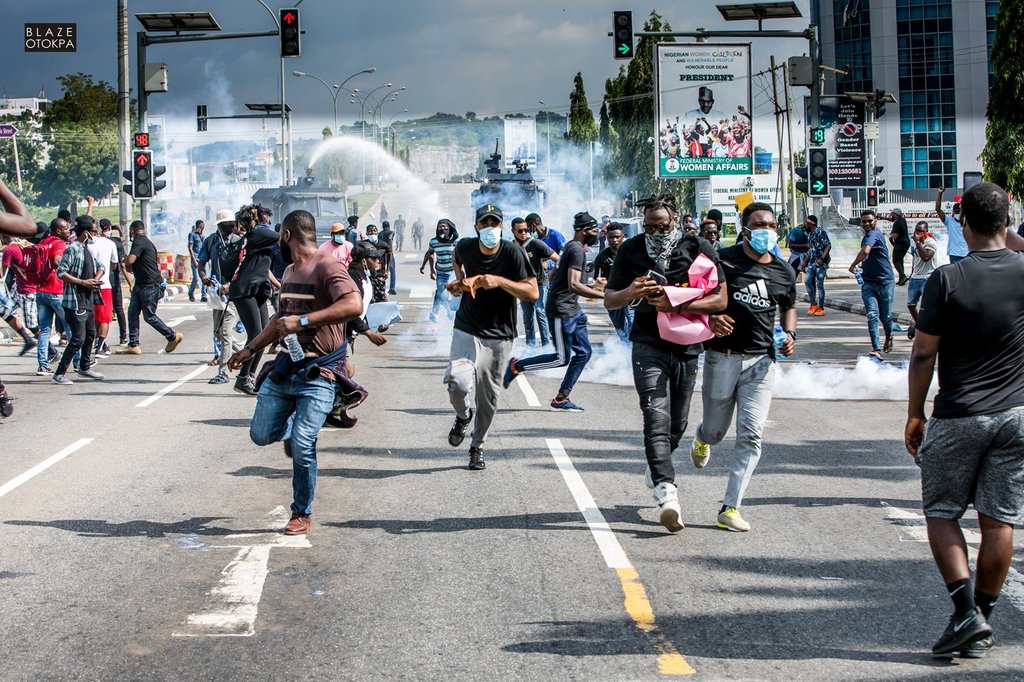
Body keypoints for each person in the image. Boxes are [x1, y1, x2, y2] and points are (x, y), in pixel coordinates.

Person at [904, 182, 1024, 658]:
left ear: (962, 223)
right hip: (1017, 416)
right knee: (999, 522)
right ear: (1007, 220)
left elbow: (923, 353)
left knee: (942, 511)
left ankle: (966, 613)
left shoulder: (947, 279)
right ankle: (980, 620)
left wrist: (915, 413)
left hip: (959, 415)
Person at [230, 209, 362, 536]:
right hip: (287, 368)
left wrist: (304, 322)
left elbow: (353, 305)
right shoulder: (289, 271)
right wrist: (250, 349)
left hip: (321, 372)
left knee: (304, 443)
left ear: (286, 236)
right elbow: (279, 321)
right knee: (260, 434)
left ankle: (301, 512)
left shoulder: (327, 266)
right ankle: (290, 429)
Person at [604, 194, 726, 532]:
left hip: (688, 345)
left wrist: (677, 304)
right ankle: (666, 491)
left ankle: (657, 464)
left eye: (664, 225)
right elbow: (610, 298)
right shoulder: (631, 250)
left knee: (678, 424)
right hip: (648, 344)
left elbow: (721, 297)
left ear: (676, 220)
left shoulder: (697, 246)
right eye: (650, 226)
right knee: (655, 416)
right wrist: (631, 292)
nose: (657, 231)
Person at [690, 202, 797, 532]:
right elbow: (695, 296)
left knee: (751, 435)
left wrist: (790, 333)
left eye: (771, 225)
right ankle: (701, 437)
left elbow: (789, 306)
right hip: (722, 357)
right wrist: (710, 316)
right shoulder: (723, 261)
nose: (766, 230)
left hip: (762, 363)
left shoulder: (783, 270)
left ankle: (730, 508)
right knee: (716, 431)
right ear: (744, 229)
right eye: (758, 225)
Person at [444, 204, 537, 470]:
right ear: (476, 227)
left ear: (501, 227)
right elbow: (456, 258)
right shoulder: (465, 247)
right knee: (457, 382)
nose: (489, 229)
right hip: (466, 327)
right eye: (484, 224)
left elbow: (532, 293)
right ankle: (463, 416)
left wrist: (500, 282)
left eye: (494, 224)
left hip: (499, 335)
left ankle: (477, 446)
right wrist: (459, 282)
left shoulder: (513, 253)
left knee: (488, 398)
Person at [504, 211, 604, 410]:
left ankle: (561, 398)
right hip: (561, 310)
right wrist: (604, 295)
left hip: (572, 309)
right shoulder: (575, 250)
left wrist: (593, 287)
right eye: (594, 230)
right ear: (583, 231)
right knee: (561, 358)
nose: (596, 234)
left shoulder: (570, 247)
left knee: (584, 353)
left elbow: (558, 274)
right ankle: (517, 366)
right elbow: (574, 284)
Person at [223, 205, 278, 395]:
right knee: (256, 334)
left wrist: (278, 284)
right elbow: (279, 236)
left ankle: (248, 377)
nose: (267, 221)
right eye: (264, 217)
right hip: (245, 290)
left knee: (264, 334)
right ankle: (243, 378)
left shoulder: (253, 238)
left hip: (256, 288)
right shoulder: (256, 235)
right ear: (255, 219)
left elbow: (263, 266)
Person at [117, 220, 183, 356]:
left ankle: (172, 336)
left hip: (150, 285)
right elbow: (134, 264)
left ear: (133, 230)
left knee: (149, 316)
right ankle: (133, 344)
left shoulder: (139, 241)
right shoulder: (146, 242)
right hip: (141, 284)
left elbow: (130, 261)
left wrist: (124, 259)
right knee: (132, 313)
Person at [52, 217, 105, 385]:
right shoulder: (73, 249)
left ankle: (85, 367)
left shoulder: (86, 249)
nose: (96, 233)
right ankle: (60, 373)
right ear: (86, 232)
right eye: (94, 230)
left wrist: (95, 280)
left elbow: (101, 267)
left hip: (88, 300)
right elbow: (61, 273)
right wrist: (83, 282)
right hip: (75, 301)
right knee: (78, 339)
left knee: (91, 335)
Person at [199, 210, 243, 385]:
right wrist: (203, 277)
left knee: (225, 332)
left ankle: (223, 372)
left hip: (233, 294)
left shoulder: (239, 241)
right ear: (219, 225)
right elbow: (201, 263)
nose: (229, 228)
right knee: (218, 333)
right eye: (225, 225)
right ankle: (249, 351)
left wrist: (230, 285)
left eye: (230, 224)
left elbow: (243, 268)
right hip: (217, 294)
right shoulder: (211, 241)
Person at [848, 210, 895, 360]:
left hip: (885, 282)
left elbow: (865, 252)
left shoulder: (874, 234)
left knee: (885, 316)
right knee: (872, 315)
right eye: (864, 222)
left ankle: (889, 336)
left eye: (869, 221)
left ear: (875, 221)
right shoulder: (868, 236)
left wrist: (853, 265)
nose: (867, 224)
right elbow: (867, 255)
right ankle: (876, 348)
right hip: (868, 283)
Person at [510, 216, 558, 348]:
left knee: (540, 311)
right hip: (523, 286)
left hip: (539, 283)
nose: (524, 233)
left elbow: (557, 258)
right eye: (520, 231)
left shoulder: (535, 243)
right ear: (513, 231)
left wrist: (554, 270)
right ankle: (530, 347)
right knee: (527, 315)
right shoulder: (510, 247)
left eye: (525, 230)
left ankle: (546, 346)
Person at [85, 217, 118, 358]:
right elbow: (114, 264)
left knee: (94, 317)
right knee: (104, 318)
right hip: (104, 284)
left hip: (88, 284)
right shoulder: (110, 243)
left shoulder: (87, 244)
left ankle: (100, 344)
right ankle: (100, 347)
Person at [593, 222, 633, 342]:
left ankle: (632, 351)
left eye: (617, 237)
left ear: (622, 237)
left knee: (632, 322)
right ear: (607, 238)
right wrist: (600, 285)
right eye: (611, 237)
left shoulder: (631, 253)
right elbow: (597, 280)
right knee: (620, 328)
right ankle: (625, 350)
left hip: (630, 294)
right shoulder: (601, 257)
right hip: (613, 296)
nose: (614, 240)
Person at [905, 220, 938, 340]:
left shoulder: (931, 242)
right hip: (915, 277)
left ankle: (926, 330)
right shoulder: (914, 242)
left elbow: (926, 257)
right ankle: (921, 326)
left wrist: (918, 242)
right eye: (917, 231)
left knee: (926, 306)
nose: (919, 234)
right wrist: (911, 272)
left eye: (921, 232)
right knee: (911, 304)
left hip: (927, 277)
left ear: (926, 232)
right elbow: (915, 258)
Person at [421, 219, 458, 323]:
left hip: (454, 273)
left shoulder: (456, 241)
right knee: (440, 293)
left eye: (444, 226)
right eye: (440, 227)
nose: (442, 229)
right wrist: (429, 268)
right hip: (441, 272)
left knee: (455, 294)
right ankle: (435, 313)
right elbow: (430, 253)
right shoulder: (434, 241)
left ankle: (450, 311)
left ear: (449, 228)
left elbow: (463, 255)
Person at [100, 220, 131, 346]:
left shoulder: (94, 242)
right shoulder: (115, 242)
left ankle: (99, 339)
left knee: (99, 310)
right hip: (114, 280)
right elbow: (122, 265)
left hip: (99, 281)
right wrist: (118, 228)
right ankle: (123, 336)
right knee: (119, 308)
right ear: (108, 228)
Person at [800, 215, 831, 316]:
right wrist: (805, 262)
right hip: (812, 262)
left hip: (820, 263)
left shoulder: (820, 232)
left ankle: (821, 308)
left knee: (820, 285)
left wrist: (822, 258)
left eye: (806, 222)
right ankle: (813, 304)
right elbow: (811, 250)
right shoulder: (810, 234)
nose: (805, 224)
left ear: (812, 223)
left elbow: (828, 245)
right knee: (807, 281)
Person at [936, 187, 968, 264]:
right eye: (957, 212)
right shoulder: (949, 221)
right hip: (954, 255)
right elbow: (938, 209)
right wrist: (940, 194)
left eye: (960, 212)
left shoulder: (968, 221)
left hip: (967, 254)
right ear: (953, 213)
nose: (958, 214)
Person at [888, 208, 911, 286]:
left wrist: (891, 236)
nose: (891, 215)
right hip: (906, 243)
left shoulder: (897, 223)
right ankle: (901, 278)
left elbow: (895, 236)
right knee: (900, 260)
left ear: (896, 215)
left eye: (892, 214)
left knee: (896, 260)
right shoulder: (903, 220)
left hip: (900, 243)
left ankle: (903, 276)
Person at [187, 220, 207, 302]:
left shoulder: (202, 236)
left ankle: (204, 295)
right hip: (195, 259)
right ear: (199, 226)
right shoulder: (192, 235)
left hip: (202, 259)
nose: (203, 227)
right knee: (195, 278)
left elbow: (204, 249)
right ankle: (191, 293)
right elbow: (190, 248)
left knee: (204, 277)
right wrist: (194, 260)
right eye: (202, 226)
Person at [380, 220, 398, 295]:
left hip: (381, 253)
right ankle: (392, 288)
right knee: (392, 271)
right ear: (389, 226)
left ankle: (382, 287)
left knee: (382, 271)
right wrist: (390, 248)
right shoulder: (391, 232)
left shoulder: (379, 234)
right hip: (389, 253)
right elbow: (390, 238)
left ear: (382, 226)